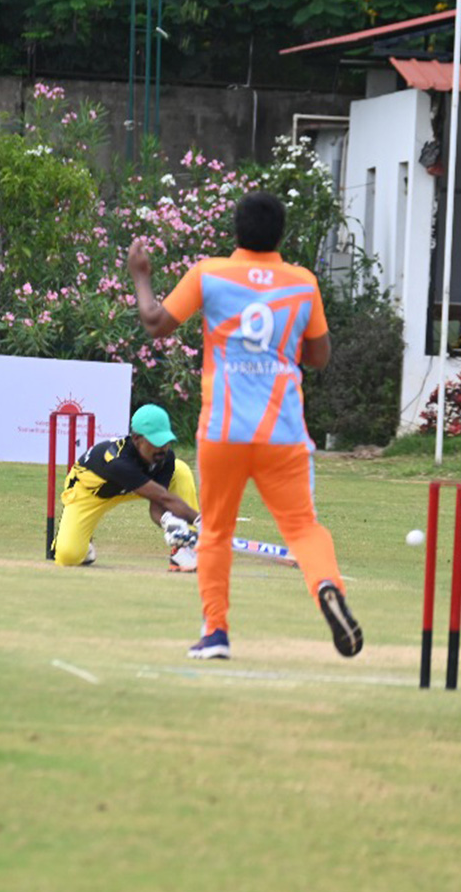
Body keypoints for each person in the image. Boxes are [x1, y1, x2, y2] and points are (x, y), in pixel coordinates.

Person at [127, 191, 362, 662]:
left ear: (235, 231)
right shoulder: (302, 283)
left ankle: (215, 631)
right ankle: (327, 589)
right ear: (282, 235)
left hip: (224, 431)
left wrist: (141, 276)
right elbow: (318, 357)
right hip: (284, 432)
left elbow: (155, 323)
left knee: (214, 530)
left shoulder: (210, 273)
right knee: (303, 528)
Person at [50, 404, 202, 572]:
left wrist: (170, 522)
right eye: (156, 442)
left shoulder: (165, 457)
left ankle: (188, 550)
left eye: (166, 442)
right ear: (136, 439)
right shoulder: (119, 462)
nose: (162, 448)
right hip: (92, 492)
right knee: (68, 556)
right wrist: (203, 523)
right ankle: (83, 543)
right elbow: (163, 497)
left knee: (179, 470)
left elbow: (158, 505)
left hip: (137, 486)